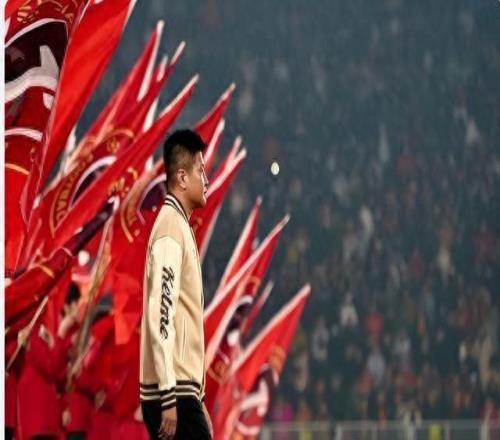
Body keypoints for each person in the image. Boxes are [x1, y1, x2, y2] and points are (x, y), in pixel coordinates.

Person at [140, 129, 212, 439]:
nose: (206, 180)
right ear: (182, 177)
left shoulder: (178, 225)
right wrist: (170, 394)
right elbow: (161, 314)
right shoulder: (171, 227)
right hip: (173, 394)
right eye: (201, 171)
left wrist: (199, 398)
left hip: (181, 392)